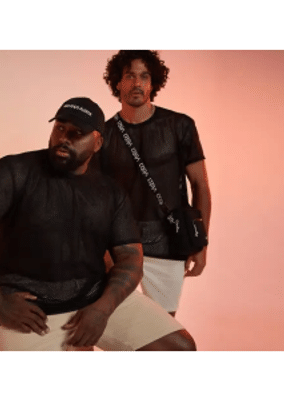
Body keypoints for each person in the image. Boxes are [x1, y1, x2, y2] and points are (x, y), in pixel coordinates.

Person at [0, 96, 196, 351]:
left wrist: (102, 309)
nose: (64, 138)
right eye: (60, 128)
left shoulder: (110, 192)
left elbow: (130, 258)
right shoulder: (14, 171)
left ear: (97, 142)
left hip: (95, 302)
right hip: (31, 315)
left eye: (77, 133)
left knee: (179, 347)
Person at [97, 50, 212, 317]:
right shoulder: (104, 134)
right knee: (114, 321)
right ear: (118, 82)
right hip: (119, 245)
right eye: (129, 76)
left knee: (163, 327)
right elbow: (95, 198)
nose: (137, 83)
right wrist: (101, 251)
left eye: (144, 76)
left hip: (168, 242)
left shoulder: (180, 125)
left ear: (153, 83)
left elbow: (200, 186)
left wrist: (201, 244)